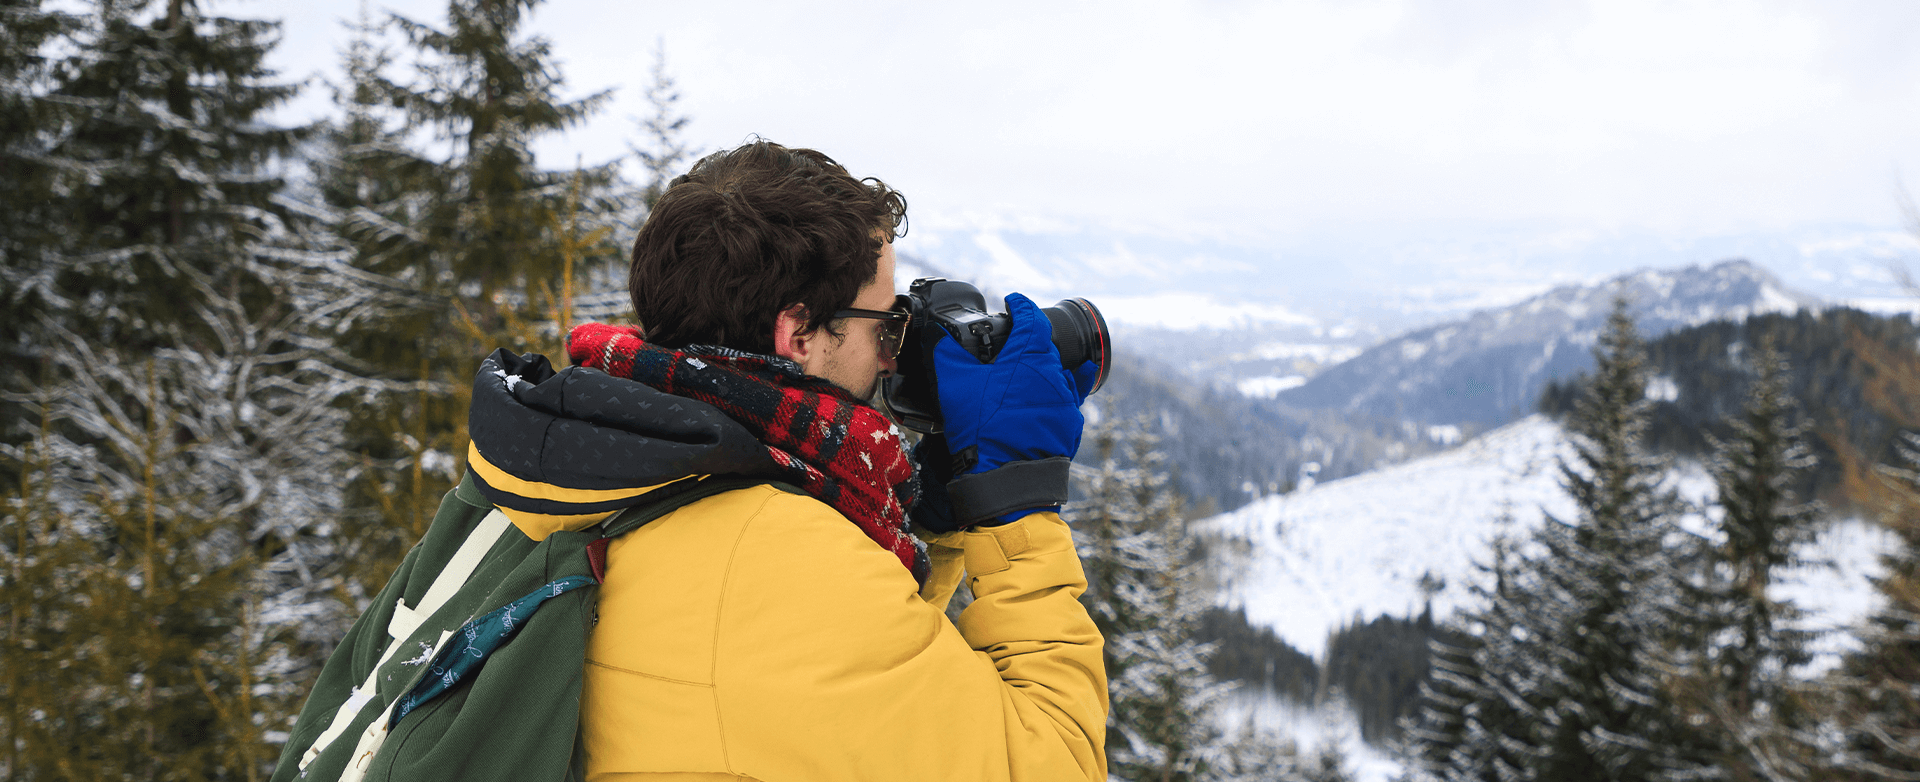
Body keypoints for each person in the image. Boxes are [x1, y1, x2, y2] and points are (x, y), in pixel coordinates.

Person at [464, 140, 1108, 780]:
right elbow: (1055, 762)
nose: (891, 358)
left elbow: (850, 699)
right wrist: (1015, 504)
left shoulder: (587, 454)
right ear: (798, 334)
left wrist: (929, 521)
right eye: (884, 326)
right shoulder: (787, 558)